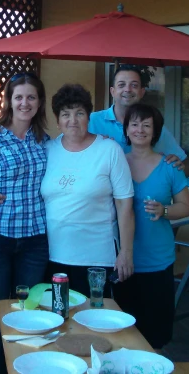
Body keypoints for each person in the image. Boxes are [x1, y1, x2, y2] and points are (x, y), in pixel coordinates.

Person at [0, 72, 49, 374]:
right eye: (19, 97)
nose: (25, 102)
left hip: (35, 242)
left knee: (26, 319)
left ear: (39, 102)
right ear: (9, 101)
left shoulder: (46, 141)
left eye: (31, 97)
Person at [40, 84, 135, 295]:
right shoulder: (46, 151)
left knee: (93, 321)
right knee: (59, 320)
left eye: (79, 113)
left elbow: (124, 204)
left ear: (89, 117)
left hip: (97, 259)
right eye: (66, 114)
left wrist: (126, 252)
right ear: (57, 120)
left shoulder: (109, 150)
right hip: (52, 256)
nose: (72, 120)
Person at [117, 103, 189, 350]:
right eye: (135, 124)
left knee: (155, 336)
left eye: (147, 125)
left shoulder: (170, 166)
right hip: (121, 261)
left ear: (155, 132)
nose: (140, 130)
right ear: (126, 129)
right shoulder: (115, 161)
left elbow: (185, 207)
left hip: (157, 261)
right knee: (122, 334)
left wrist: (164, 210)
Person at [88, 65, 189, 176]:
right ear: (112, 91)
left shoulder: (152, 126)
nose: (127, 89)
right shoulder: (92, 121)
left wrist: (176, 168)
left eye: (134, 85)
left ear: (142, 92)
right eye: (121, 85)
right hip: (102, 192)